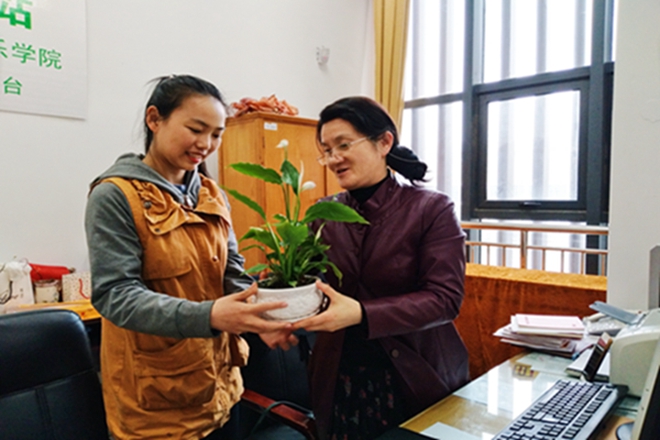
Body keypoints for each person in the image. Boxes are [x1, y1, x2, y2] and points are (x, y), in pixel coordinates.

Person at [84, 75, 293, 440]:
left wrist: (261, 317)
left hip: (222, 387)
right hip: (157, 402)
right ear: (154, 119)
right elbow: (115, 295)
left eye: (216, 134)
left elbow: (232, 270)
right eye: (196, 129)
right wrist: (210, 315)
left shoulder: (211, 193)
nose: (206, 144)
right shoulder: (115, 195)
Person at [264, 96, 470, 440]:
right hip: (339, 378)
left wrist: (361, 313)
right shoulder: (323, 213)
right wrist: (276, 316)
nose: (333, 158)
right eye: (327, 150)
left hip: (415, 375)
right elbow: (304, 284)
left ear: (384, 142)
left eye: (343, 145)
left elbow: (445, 299)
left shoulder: (431, 209)